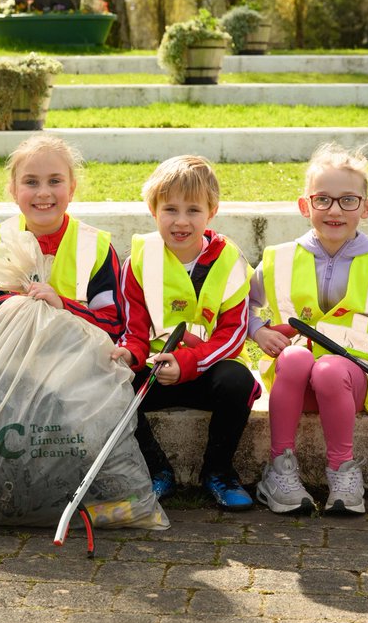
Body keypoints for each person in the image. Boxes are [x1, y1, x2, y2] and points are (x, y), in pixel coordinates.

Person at [247, 144, 368, 516]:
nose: (334, 210)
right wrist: (259, 330)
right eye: (323, 199)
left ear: (366, 207)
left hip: (349, 383)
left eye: (348, 200)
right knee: (296, 356)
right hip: (292, 384)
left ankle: (343, 472)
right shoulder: (279, 258)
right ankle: (279, 469)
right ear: (305, 205)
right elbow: (240, 306)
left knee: (330, 369)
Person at [111, 155, 259, 511]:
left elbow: (233, 335)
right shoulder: (140, 259)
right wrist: (130, 354)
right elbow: (134, 328)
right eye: (170, 209)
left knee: (237, 380)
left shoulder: (230, 261)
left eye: (193, 210)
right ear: (153, 210)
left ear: (212, 211)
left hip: (206, 372)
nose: (181, 221)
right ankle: (156, 470)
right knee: (110, 385)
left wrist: (188, 363)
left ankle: (218, 472)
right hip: (156, 372)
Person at [0, 135, 122, 340]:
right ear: (14, 191)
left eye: (54, 181)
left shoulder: (96, 247)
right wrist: (16, 305)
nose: (43, 192)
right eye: (31, 182)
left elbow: (113, 327)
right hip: (11, 360)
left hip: (75, 362)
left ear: (71, 189)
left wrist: (63, 306)